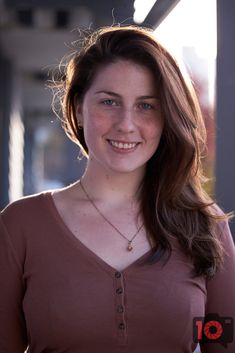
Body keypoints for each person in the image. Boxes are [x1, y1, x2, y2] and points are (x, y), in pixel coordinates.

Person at [0, 25, 235, 353]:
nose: (126, 123)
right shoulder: (21, 226)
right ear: (80, 108)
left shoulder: (205, 226)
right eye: (109, 102)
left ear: (167, 117)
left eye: (146, 105)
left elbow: (223, 345)